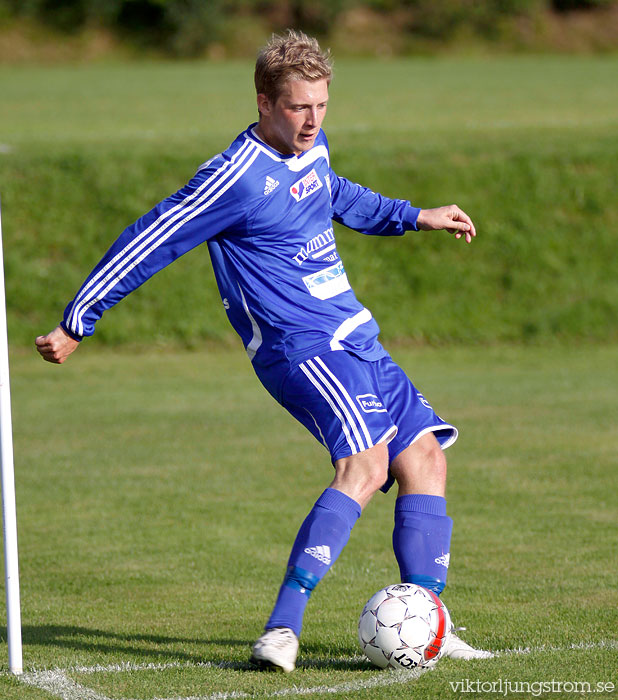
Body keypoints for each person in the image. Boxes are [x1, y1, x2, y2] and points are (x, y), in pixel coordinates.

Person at [36, 30, 493, 672]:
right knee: (364, 465)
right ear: (263, 103)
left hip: (354, 336)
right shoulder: (233, 179)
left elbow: (339, 197)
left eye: (322, 106)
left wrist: (416, 215)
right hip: (299, 347)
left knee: (424, 459)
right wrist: (77, 321)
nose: (312, 121)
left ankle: (428, 624)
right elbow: (151, 239)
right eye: (298, 107)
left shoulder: (313, 150)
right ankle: (282, 631)